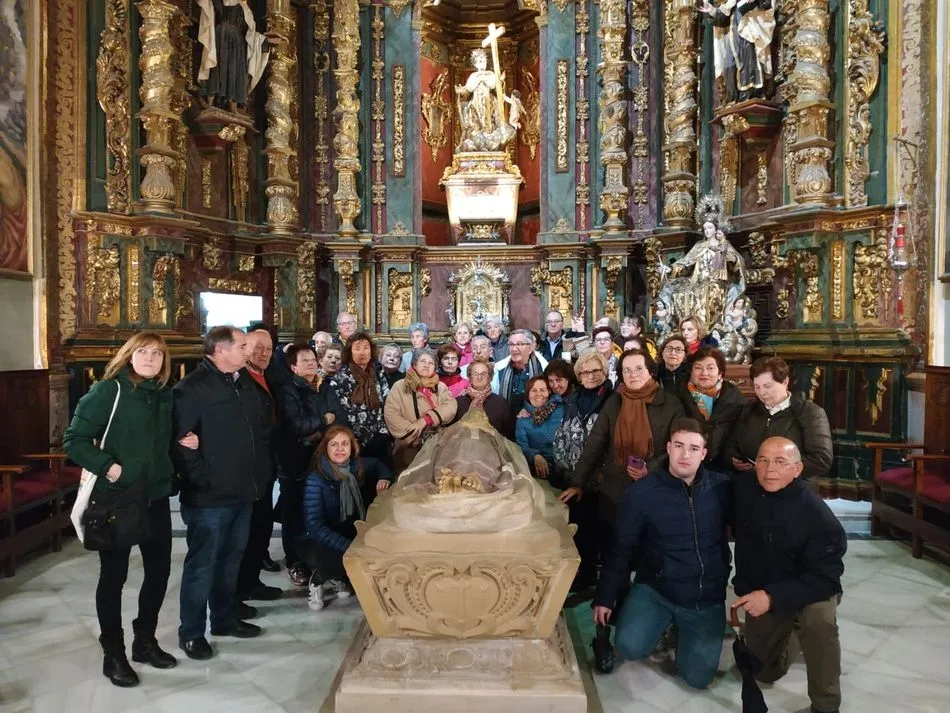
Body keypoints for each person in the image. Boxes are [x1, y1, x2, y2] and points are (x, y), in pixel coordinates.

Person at [64, 332, 199, 687]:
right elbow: (73, 441)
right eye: (143, 351)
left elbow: (161, 441)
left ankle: (145, 641)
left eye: (157, 353)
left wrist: (184, 442)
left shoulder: (164, 395)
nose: (151, 358)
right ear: (128, 355)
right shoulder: (108, 391)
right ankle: (113, 653)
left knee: (158, 574)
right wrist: (109, 466)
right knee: (114, 578)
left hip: (154, 496)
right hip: (117, 498)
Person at [592, 419, 732, 686]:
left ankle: (683, 631)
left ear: (704, 453)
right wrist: (605, 596)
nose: (684, 454)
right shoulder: (642, 493)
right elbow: (621, 547)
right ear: (668, 447)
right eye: (678, 445)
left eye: (693, 448)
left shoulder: (722, 488)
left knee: (697, 678)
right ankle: (663, 621)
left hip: (705, 597)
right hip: (659, 589)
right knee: (630, 646)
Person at [172, 327, 273, 660]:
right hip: (209, 497)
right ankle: (191, 632)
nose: (248, 351)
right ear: (219, 350)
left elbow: (258, 429)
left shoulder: (243, 382)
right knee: (203, 566)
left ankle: (224, 618)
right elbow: (181, 443)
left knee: (231, 560)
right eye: (242, 346)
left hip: (243, 490)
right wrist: (202, 480)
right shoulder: (192, 389)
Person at [560, 349, 686, 613]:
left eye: (638, 369)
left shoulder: (670, 403)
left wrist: (651, 468)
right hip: (615, 487)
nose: (632, 375)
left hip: (655, 487)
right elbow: (596, 443)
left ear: (650, 371)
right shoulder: (615, 402)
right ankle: (614, 604)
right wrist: (578, 482)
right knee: (614, 549)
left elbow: (677, 445)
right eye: (626, 370)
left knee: (648, 550)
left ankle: (645, 607)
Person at [732, 437, 846, 713]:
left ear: (797, 470)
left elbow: (825, 579)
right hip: (766, 586)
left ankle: (826, 705)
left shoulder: (817, 515)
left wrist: (771, 597)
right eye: (763, 460)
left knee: (818, 622)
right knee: (765, 672)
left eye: (781, 462)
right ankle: (794, 631)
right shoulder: (743, 490)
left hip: (811, 590)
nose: (770, 469)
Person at [301, 426, 392, 611]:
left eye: (345, 444)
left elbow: (377, 464)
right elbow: (315, 525)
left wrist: (385, 477)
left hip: (345, 528)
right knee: (344, 554)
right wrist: (349, 546)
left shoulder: (354, 466)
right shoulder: (316, 479)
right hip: (316, 538)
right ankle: (318, 579)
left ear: (352, 447)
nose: (340, 449)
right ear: (325, 448)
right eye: (334, 444)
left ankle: (338, 576)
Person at [278, 344, 346, 588]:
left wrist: (319, 432)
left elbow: (339, 416)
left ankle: (321, 560)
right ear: (293, 366)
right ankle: (295, 561)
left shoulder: (325, 388)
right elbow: (296, 425)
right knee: (294, 512)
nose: (310, 363)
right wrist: (322, 421)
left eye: (312, 359)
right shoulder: (288, 390)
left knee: (320, 512)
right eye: (303, 360)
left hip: (322, 459)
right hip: (295, 461)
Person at [551, 350, 615, 591]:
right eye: (584, 371)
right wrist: (566, 469)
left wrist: (599, 472)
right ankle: (585, 576)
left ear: (604, 372)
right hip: (574, 478)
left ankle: (604, 584)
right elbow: (562, 433)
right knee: (581, 530)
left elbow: (612, 440)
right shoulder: (574, 398)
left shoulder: (613, 398)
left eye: (595, 371)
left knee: (603, 533)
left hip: (601, 479)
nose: (589, 376)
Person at [725, 356, 833, 480]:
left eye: (767, 386)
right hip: (750, 480)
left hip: (793, 484)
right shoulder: (748, 409)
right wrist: (733, 460)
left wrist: (774, 468)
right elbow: (730, 446)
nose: (762, 392)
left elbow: (821, 460)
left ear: (785, 382)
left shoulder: (810, 413)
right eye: (757, 387)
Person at [236, 329, 283, 604]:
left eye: (268, 349)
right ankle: (240, 589)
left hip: (265, 466)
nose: (263, 353)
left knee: (261, 527)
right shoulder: (239, 380)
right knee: (247, 531)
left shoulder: (268, 376)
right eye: (257, 348)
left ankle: (252, 582)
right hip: (247, 470)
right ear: (244, 348)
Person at [385, 349, 458, 474]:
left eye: (431, 363)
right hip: (409, 446)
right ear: (414, 364)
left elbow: (450, 406)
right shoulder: (400, 386)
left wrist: (425, 420)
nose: (426, 365)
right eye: (423, 361)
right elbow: (391, 415)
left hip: (437, 446)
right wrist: (415, 434)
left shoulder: (440, 387)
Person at [329, 332, 392, 471]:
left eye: (366, 347)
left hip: (379, 435)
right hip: (354, 439)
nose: (362, 352)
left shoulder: (378, 374)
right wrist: (351, 438)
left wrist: (384, 432)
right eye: (357, 348)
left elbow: (386, 401)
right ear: (349, 352)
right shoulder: (341, 378)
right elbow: (339, 411)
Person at [677, 346, 746, 468]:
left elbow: (739, 436)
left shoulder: (736, 400)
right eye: (698, 368)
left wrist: (732, 458)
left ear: (720, 373)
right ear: (691, 372)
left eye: (710, 368)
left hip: (723, 467)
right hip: (685, 463)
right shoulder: (677, 397)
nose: (704, 373)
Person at [516, 376, 564, 480]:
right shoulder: (522, 419)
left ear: (549, 392)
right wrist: (534, 456)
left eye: (542, 390)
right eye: (533, 390)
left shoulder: (562, 409)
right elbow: (521, 446)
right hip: (539, 472)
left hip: (566, 467)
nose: (538, 394)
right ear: (528, 394)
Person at [491, 329, 549, 415]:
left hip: (537, 419)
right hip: (508, 420)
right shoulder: (500, 370)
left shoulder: (543, 370)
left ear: (530, 348)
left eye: (519, 344)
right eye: (511, 344)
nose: (514, 349)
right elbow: (495, 397)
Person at [454, 359, 515, 440]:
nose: (479, 377)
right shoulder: (458, 402)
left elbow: (508, 433)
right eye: (475, 374)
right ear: (470, 377)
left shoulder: (501, 403)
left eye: (484, 374)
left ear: (490, 378)